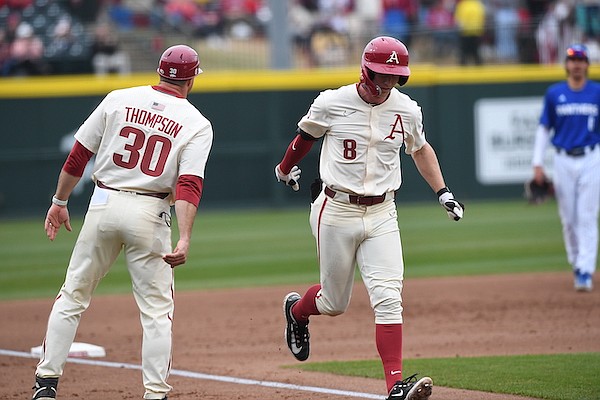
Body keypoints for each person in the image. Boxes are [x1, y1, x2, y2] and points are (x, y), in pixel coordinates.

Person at [274, 36, 464, 400]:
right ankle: (298, 312)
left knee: (389, 297)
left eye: (396, 75)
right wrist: (284, 169)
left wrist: (443, 191)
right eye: (383, 73)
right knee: (333, 303)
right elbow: (305, 137)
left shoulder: (407, 109)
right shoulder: (332, 102)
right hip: (336, 208)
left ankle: (395, 385)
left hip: (382, 212)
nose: (389, 82)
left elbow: (420, 149)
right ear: (366, 70)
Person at [31, 44, 213, 400]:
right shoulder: (197, 122)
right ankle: (155, 394)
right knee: (157, 313)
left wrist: (59, 201)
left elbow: (79, 155)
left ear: (160, 72)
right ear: (191, 79)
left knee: (72, 296)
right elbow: (189, 184)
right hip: (151, 211)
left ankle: (46, 383)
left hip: (103, 203)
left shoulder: (119, 97)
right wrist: (186, 237)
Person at [531, 44, 600, 292]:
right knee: (568, 219)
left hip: (592, 158)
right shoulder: (555, 93)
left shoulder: (597, 92)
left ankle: (585, 270)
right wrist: (537, 164)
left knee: (586, 216)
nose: (577, 64)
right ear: (567, 65)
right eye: (572, 60)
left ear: (587, 65)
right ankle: (576, 263)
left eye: (581, 60)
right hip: (562, 159)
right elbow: (543, 129)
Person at [454, 0, 486, 65]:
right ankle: (479, 69)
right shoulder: (478, 5)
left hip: (465, 32)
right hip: (476, 32)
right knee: (476, 52)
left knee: (464, 53)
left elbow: (458, 20)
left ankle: (463, 70)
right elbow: (482, 18)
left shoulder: (462, 5)